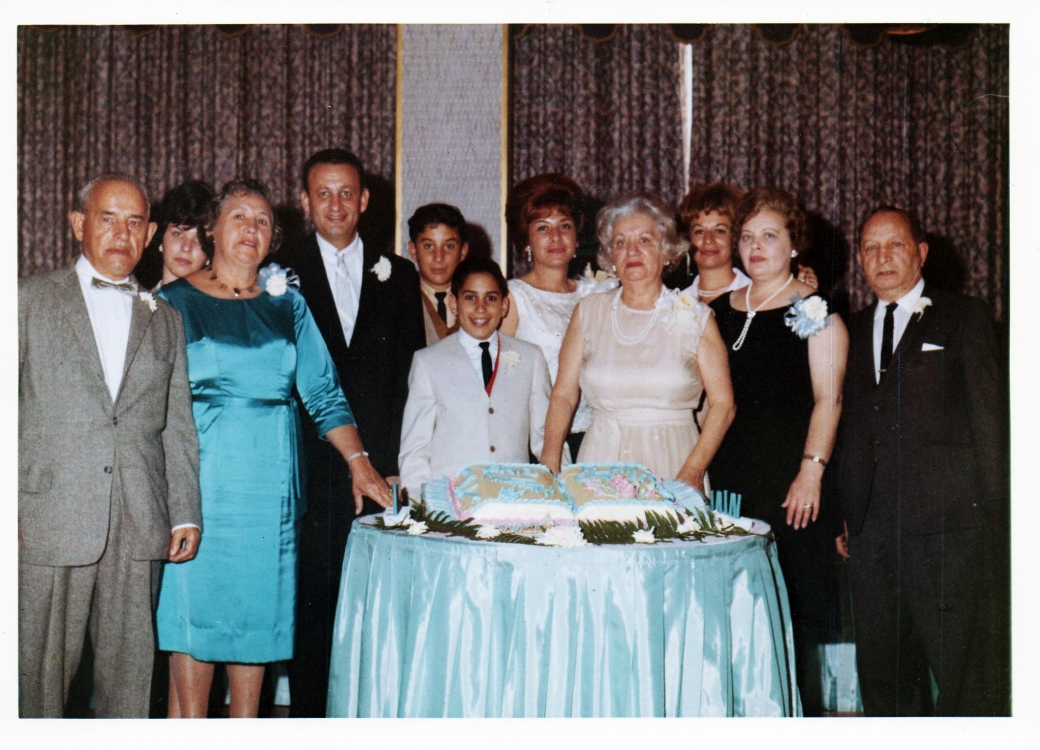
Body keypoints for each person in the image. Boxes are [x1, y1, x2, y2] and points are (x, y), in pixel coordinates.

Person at [154, 179, 392, 718]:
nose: (252, 228)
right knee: (194, 634)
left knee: (257, 630)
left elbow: (323, 393)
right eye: (240, 216)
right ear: (213, 228)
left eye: (263, 221)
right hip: (200, 492)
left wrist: (359, 464)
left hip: (270, 495)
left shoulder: (289, 306)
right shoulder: (174, 302)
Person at [18, 174, 202, 717]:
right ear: (78, 224)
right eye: (107, 219)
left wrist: (184, 511)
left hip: (138, 520)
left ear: (149, 234)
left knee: (130, 684)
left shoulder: (166, 320)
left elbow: (176, 425)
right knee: (36, 683)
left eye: (134, 222)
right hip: (45, 519)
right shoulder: (26, 300)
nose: (122, 234)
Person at [834, 206, 1006, 716]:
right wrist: (847, 511)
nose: (882, 257)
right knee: (883, 680)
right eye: (871, 248)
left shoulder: (965, 317)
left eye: (896, 245)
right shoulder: (849, 329)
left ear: (922, 253)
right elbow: (848, 426)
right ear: (860, 259)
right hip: (871, 536)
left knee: (963, 679)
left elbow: (991, 424)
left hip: (950, 533)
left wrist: (998, 522)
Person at [277, 148, 425, 717]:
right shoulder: (278, 273)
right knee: (312, 605)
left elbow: (410, 380)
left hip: (380, 469)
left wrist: (398, 463)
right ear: (305, 201)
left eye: (346, 193)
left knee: (378, 605)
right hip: (308, 467)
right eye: (323, 193)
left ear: (364, 200)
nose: (335, 205)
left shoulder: (399, 273)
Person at [706, 186, 848, 714]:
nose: (755, 247)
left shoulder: (815, 311)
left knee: (790, 621)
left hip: (792, 487)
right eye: (747, 237)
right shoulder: (716, 311)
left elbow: (829, 400)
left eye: (769, 236)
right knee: (731, 617)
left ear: (794, 245)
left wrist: (811, 473)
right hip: (729, 484)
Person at [540, 193, 735, 492]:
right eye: (620, 242)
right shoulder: (588, 312)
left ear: (666, 251)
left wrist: (693, 471)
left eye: (644, 240)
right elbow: (564, 395)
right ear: (611, 256)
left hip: (674, 464)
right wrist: (550, 458)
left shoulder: (696, 316)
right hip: (600, 461)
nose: (631, 251)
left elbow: (723, 404)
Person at [399, 257, 552, 499]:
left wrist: (557, 491)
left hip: (513, 497)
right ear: (454, 303)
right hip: (451, 500)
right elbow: (415, 448)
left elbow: (547, 437)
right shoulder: (428, 361)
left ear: (504, 306)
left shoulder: (530, 357)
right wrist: (421, 504)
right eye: (470, 298)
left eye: (490, 298)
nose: (481, 308)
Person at [501, 173, 610, 459]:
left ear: (577, 236)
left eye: (565, 225)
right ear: (526, 239)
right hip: (535, 441)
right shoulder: (512, 296)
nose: (556, 237)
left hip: (593, 439)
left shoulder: (595, 295)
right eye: (542, 228)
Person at [668, 182, 818, 294]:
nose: (708, 240)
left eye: (719, 231)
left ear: (735, 237)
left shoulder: (759, 291)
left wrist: (801, 293)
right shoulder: (676, 301)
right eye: (699, 232)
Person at [407, 202, 469, 345]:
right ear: (413, 250)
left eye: (449, 246)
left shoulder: (477, 301)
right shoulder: (402, 300)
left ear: (463, 251)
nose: (439, 257)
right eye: (428, 246)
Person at [144, 180, 215, 290]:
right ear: (162, 236)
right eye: (178, 234)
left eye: (199, 239)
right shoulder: (134, 300)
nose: (186, 247)